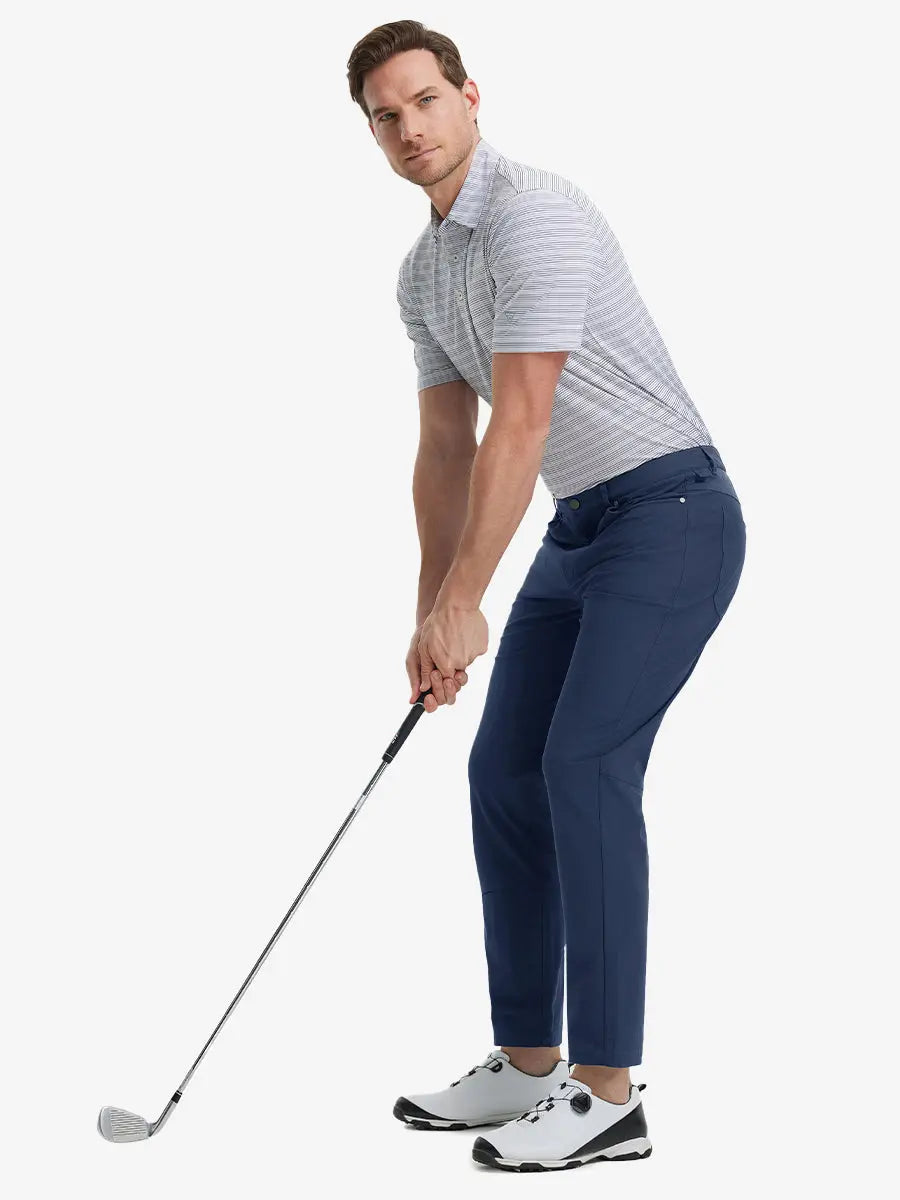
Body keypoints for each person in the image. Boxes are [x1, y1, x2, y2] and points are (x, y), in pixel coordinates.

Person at [347, 20, 746, 1172]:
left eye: (426, 99)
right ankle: (528, 1063)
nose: (410, 127)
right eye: (385, 115)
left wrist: (471, 596)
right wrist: (435, 611)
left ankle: (609, 1094)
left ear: (471, 96)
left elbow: (519, 421)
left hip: (672, 515)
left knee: (584, 766)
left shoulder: (537, 217)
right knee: (504, 772)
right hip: (580, 531)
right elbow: (445, 448)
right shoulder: (423, 273)